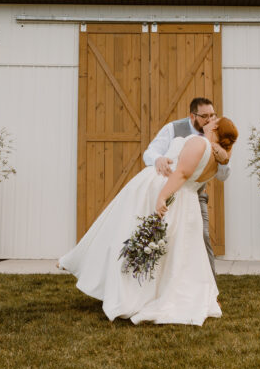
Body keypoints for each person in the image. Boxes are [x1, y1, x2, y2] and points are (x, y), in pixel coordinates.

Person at [59, 117, 238, 325]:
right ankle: (149, 293)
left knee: (125, 235)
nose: (209, 119)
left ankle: (128, 293)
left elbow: (181, 173)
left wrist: (162, 196)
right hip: (187, 206)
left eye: (213, 119)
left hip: (171, 196)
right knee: (175, 254)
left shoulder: (201, 144)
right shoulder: (217, 160)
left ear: (215, 127)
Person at [143, 98, 230, 279]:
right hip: (168, 193)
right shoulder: (173, 129)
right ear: (192, 116)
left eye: (212, 115)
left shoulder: (219, 135)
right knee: (164, 238)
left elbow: (222, 176)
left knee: (202, 236)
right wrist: (158, 159)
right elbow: (149, 152)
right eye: (204, 116)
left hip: (195, 195)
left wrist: (223, 160)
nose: (210, 120)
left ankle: (209, 290)